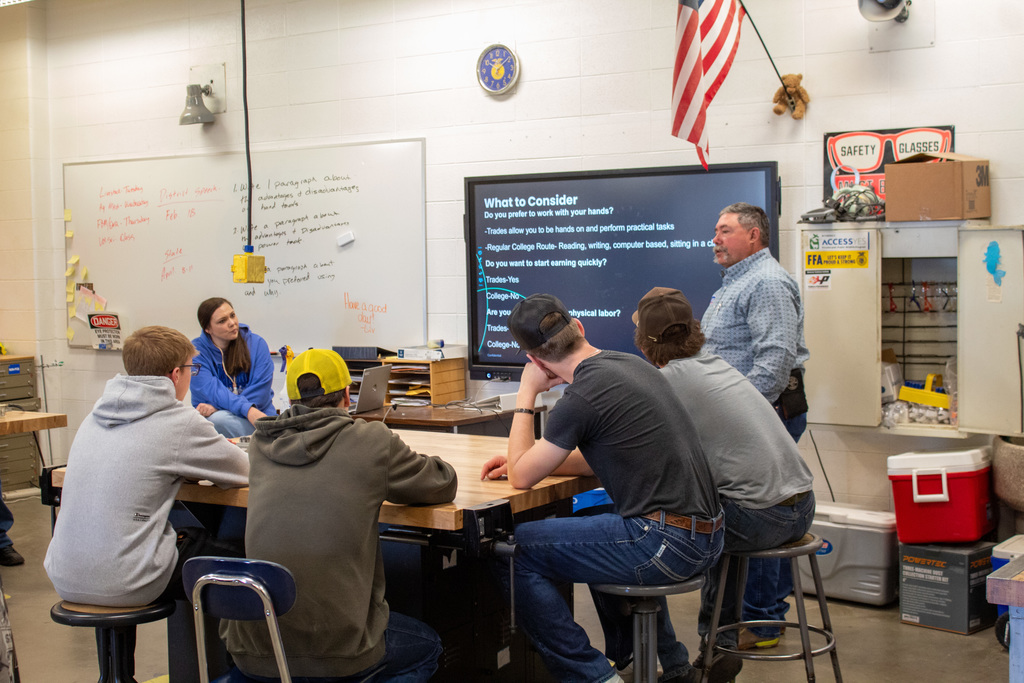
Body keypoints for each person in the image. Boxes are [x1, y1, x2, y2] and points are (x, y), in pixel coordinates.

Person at [480, 293, 729, 683]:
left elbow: (521, 478)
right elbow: (597, 454)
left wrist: (527, 394)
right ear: (579, 327)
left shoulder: (581, 397)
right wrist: (525, 459)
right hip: (708, 537)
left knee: (512, 552)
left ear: (535, 361)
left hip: (666, 544)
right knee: (593, 514)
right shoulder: (629, 364)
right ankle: (669, 666)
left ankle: (593, 676)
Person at [221, 349, 457, 682]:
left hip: (256, 648)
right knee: (429, 647)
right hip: (342, 651)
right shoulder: (370, 440)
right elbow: (441, 484)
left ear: (290, 399)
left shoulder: (261, 445)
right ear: (348, 395)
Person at [634, 286, 815, 652]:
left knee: (680, 522)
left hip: (764, 519)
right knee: (716, 505)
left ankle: (710, 645)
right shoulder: (717, 364)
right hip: (804, 508)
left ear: (644, 344)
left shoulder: (665, 383)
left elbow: (627, 452)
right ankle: (722, 640)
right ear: (695, 330)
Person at [44, 326, 249, 606]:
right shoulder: (179, 421)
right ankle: (237, 647)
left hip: (65, 576)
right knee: (245, 554)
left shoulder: (96, 414)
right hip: (129, 581)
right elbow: (244, 471)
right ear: (176, 375)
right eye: (192, 369)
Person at [701, 202, 811, 649]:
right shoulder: (736, 282)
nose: (715, 239)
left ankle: (762, 623)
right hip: (749, 416)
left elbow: (774, 361)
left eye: (724, 231)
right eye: (715, 229)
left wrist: (739, 414)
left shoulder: (765, 282)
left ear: (753, 236)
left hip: (766, 415)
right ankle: (763, 616)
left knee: (763, 509)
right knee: (764, 507)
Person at [191, 297, 275, 438]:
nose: (232, 323)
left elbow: (260, 392)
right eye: (222, 321)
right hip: (223, 420)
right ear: (207, 328)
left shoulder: (257, 344)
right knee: (217, 420)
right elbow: (211, 392)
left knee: (218, 418)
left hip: (258, 416)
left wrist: (219, 407)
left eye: (232, 315)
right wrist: (246, 409)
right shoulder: (196, 353)